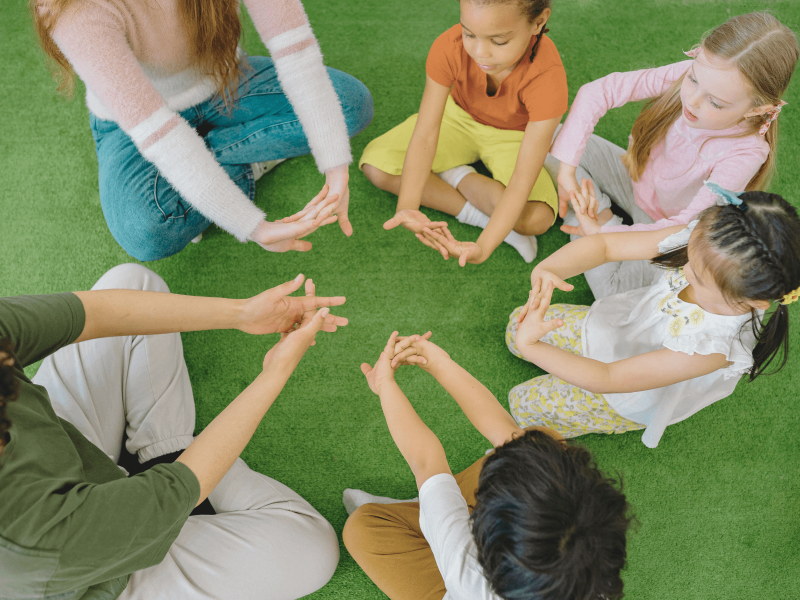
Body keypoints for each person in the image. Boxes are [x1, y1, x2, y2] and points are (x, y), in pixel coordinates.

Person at [0, 263, 348, 600]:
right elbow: (175, 487)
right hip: (91, 573)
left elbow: (91, 314)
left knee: (132, 281)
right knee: (312, 549)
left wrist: (243, 313)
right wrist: (275, 372)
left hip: (67, 459)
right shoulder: (28, 539)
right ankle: (168, 456)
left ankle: (163, 450)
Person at [32, 0, 374, 261]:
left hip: (224, 81)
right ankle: (244, 161)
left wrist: (335, 165)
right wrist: (254, 228)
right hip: (136, 123)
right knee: (145, 232)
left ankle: (206, 179)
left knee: (350, 106)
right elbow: (160, 135)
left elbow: (295, 49)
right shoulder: (69, 8)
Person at [343, 331, 634, 600]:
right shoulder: (592, 577)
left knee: (362, 528)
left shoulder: (464, 568)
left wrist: (385, 385)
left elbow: (425, 460)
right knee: (543, 443)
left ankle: (429, 507)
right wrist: (439, 363)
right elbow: (505, 433)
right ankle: (433, 504)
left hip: (451, 584)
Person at [505, 184, 800, 448]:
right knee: (515, 327)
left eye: (696, 276)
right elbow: (606, 246)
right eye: (690, 259)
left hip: (620, 393)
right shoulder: (707, 240)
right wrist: (549, 270)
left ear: (752, 300)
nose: (683, 270)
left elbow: (607, 377)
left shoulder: (714, 347)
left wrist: (533, 346)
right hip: (618, 325)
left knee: (524, 404)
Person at [543, 12, 798, 298]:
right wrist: (566, 172)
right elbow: (599, 91)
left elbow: (685, 227)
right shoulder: (703, 73)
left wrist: (606, 237)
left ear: (757, 110)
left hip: (665, 231)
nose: (692, 100)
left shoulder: (747, 153)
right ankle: (598, 214)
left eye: (715, 102)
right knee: (554, 138)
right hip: (633, 178)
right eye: (692, 79)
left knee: (611, 292)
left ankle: (601, 221)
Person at [361, 0, 567, 266]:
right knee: (377, 166)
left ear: (538, 22)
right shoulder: (449, 45)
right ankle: (476, 210)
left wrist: (483, 248)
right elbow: (426, 132)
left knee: (537, 217)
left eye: (499, 41)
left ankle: (454, 174)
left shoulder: (548, 79)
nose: (479, 52)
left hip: (514, 136)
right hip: (456, 118)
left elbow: (521, 181)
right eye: (469, 33)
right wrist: (408, 207)